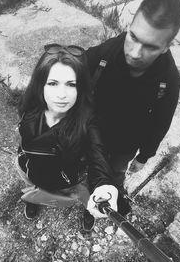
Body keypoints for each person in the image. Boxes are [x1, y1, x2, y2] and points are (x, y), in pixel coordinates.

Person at [15, 43, 123, 231]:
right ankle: (32, 200)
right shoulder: (30, 106)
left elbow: (98, 156)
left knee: (86, 197)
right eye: (53, 83)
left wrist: (104, 186)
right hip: (29, 170)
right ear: (40, 85)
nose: (62, 95)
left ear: (80, 88)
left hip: (65, 180)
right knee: (33, 190)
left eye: (71, 84)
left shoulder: (87, 122)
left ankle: (90, 212)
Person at [85, 0, 180, 188]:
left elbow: (161, 121)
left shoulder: (169, 80)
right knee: (91, 168)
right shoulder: (110, 50)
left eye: (151, 46)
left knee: (114, 176)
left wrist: (145, 155)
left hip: (125, 146)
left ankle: (107, 200)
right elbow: (78, 64)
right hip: (93, 132)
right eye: (133, 37)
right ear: (129, 27)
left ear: (166, 46)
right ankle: (89, 201)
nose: (135, 53)